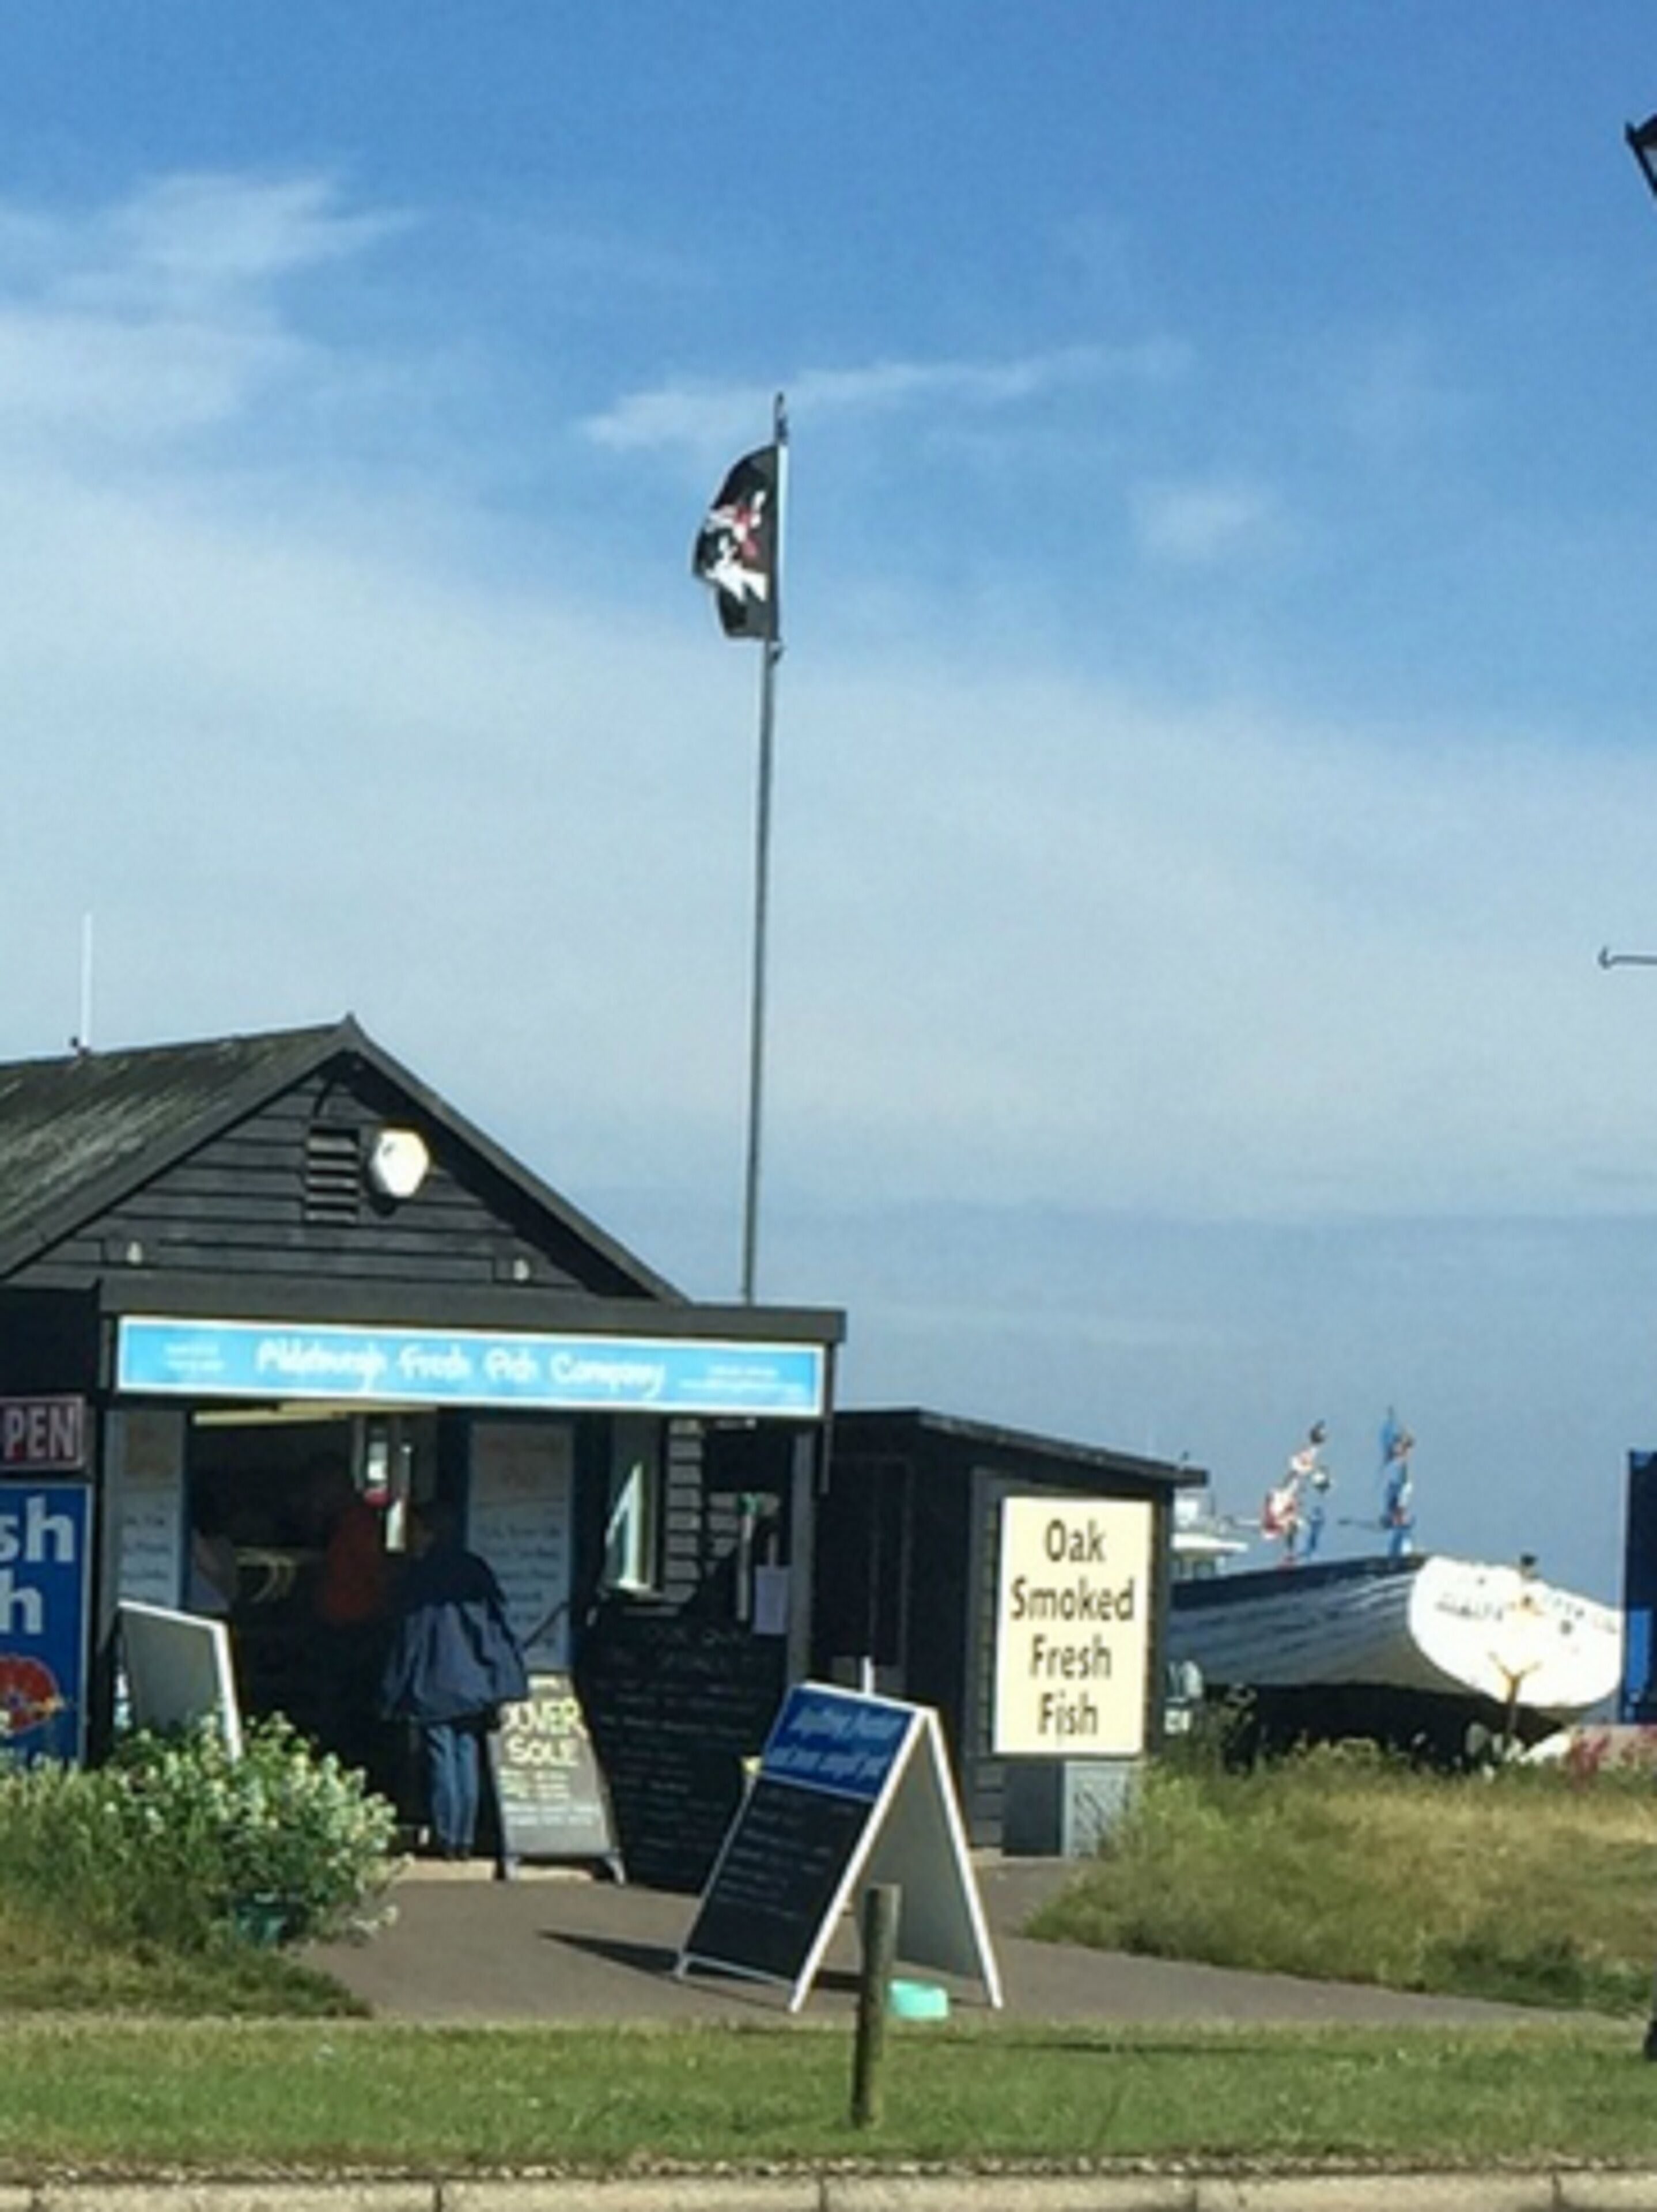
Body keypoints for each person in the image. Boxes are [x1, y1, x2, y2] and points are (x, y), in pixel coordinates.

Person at [379, 1500, 528, 1860]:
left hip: (434, 1678)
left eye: (414, 1530)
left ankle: (446, 1837)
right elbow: (497, 1626)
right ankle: (464, 1837)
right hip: (475, 1679)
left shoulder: (421, 1576)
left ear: (428, 1532)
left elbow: (410, 1637)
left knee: (442, 1755)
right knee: (466, 1754)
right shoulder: (476, 1569)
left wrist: (392, 1689)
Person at [1263, 1421, 1331, 1564]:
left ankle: (1294, 1556)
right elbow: (1302, 1468)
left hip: (1290, 1506)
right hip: (1285, 1504)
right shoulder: (1296, 1479)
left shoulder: (1303, 1482)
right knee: (1295, 1527)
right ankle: (1291, 1556)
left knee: (1300, 1527)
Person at [1379, 1412, 1416, 1560]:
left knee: (1401, 1538)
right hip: (1395, 1513)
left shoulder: (1401, 1469)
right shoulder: (1393, 1468)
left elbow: (1402, 1493)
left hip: (1398, 1516)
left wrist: (1396, 1513)